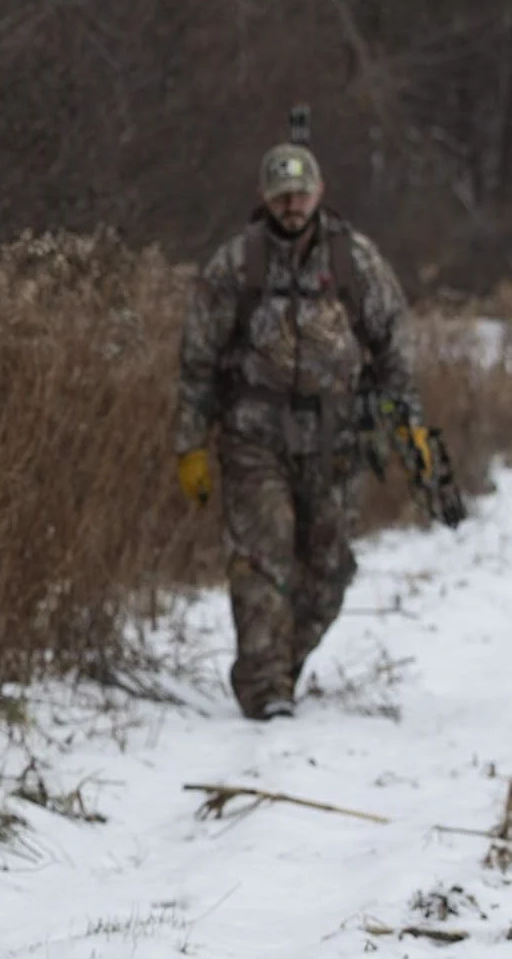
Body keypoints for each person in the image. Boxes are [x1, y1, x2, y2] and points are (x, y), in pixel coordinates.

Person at [174, 141, 432, 720]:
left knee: (330, 567)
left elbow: (395, 349)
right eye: (281, 193)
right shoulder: (236, 263)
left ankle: (283, 666)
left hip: (335, 442)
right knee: (262, 559)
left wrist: (408, 427)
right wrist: (189, 441)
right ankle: (265, 688)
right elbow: (197, 360)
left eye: (301, 192)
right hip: (253, 438)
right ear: (265, 197)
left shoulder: (355, 261)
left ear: (319, 193)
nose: (292, 203)